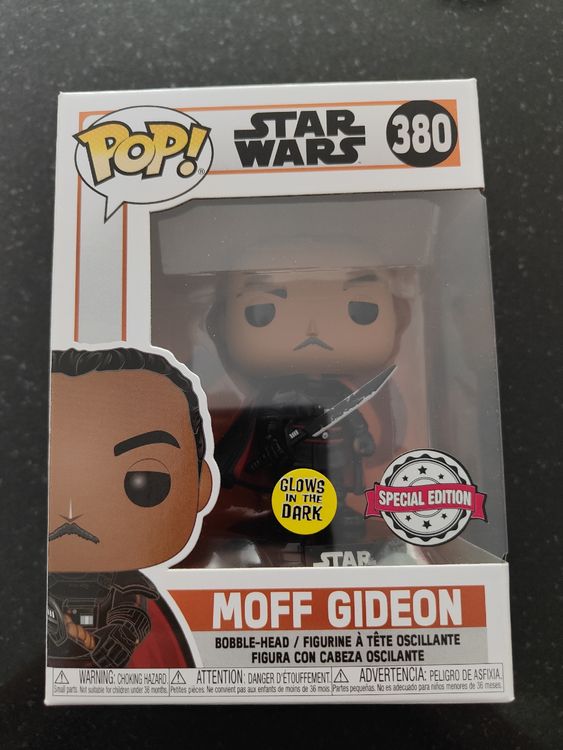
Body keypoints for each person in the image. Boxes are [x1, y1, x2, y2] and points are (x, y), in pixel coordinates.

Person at [47, 347, 214, 668]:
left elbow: (133, 611)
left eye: (144, 481)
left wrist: (122, 635)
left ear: (201, 486)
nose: (72, 512)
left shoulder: (124, 584)